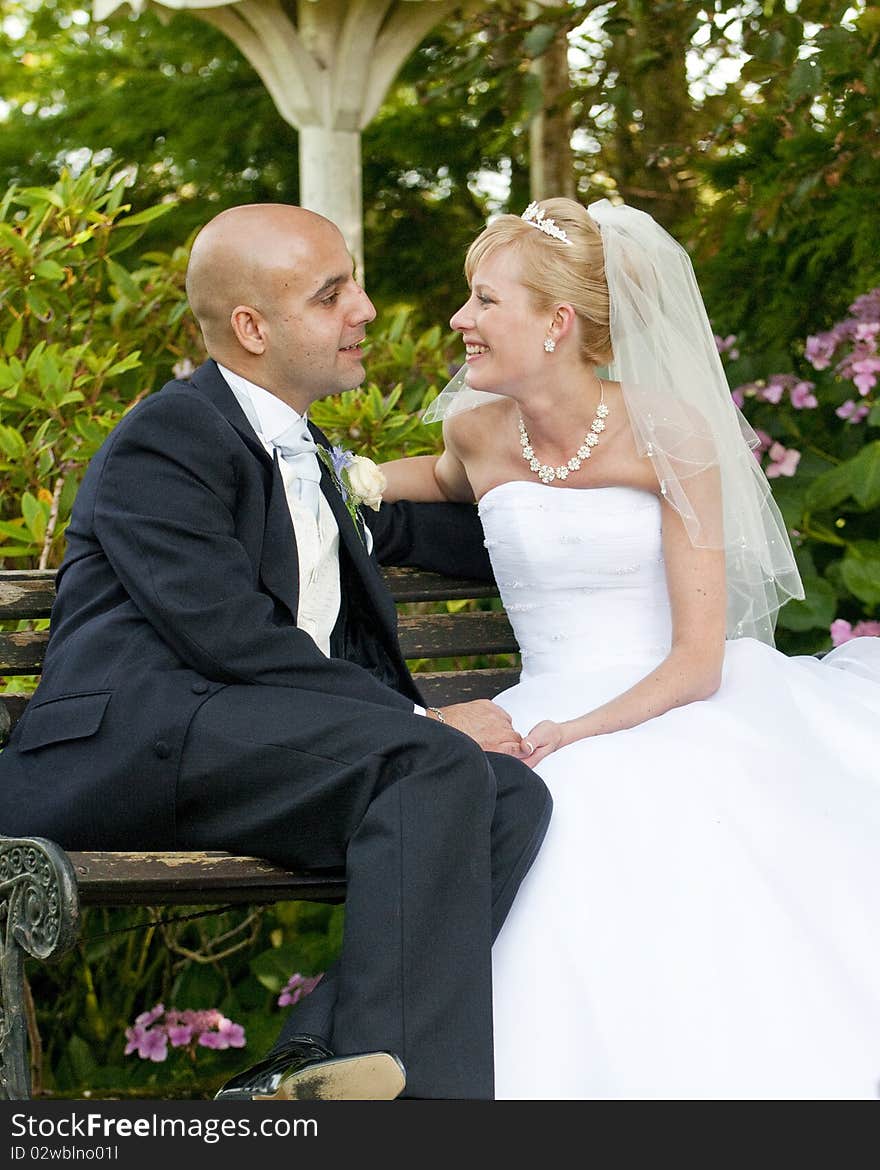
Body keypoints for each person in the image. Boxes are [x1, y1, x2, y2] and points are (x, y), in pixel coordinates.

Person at [0, 203, 553, 1101]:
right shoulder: (168, 437)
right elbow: (225, 632)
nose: (365, 310)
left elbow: (448, 530)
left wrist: (590, 494)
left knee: (511, 794)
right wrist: (422, 717)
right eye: (333, 295)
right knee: (432, 761)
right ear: (252, 328)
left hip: (240, 744)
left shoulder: (309, 452)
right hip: (131, 746)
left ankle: (307, 1070)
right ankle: (417, 1109)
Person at [380, 197, 880, 1100]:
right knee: (514, 810)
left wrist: (579, 730)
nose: (461, 320)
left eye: (485, 301)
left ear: (556, 323)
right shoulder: (479, 431)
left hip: (669, 700)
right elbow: (440, 481)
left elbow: (698, 662)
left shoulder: (668, 435)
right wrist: (341, 479)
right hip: (537, 706)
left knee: (607, 814)